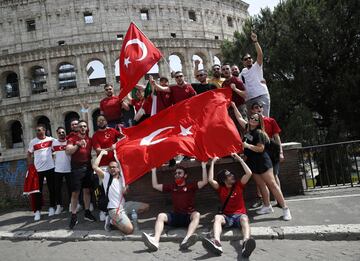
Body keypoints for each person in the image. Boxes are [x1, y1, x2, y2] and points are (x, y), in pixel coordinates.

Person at [231, 104, 292, 221]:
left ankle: (285, 208)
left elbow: (261, 149)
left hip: (263, 162)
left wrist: (247, 145)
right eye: (251, 118)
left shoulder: (259, 133)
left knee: (272, 184)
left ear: (259, 122)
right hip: (253, 162)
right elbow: (239, 118)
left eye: (255, 119)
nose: (252, 120)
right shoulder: (248, 129)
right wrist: (234, 106)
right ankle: (267, 206)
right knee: (261, 185)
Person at [142, 163, 208, 251]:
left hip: (188, 217)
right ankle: (155, 240)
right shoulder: (172, 186)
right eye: (176, 173)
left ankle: (187, 239)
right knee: (161, 215)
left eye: (179, 173)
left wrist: (203, 166)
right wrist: (153, 170)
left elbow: (204, 182)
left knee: (197, 214)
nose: (177, 175)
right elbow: (155, 186)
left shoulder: (190, 186)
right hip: (176, 217)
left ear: (185, 175)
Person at [203, 155, 256, 258]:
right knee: (217, 217)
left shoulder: (239, 185)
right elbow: (210, 180)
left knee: (245, 218)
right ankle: (216, 243)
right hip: (227, 217)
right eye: (229, 175)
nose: (232, 176)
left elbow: (249, 173)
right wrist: (212, 162)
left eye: (231, 174)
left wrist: (239, 159)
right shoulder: (221, 188)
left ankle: (245, 243)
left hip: (239, 216)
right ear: (223, 180)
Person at [250, 101, 284, 207]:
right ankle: (262, 200)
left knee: (274, 176)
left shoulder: (271, 121)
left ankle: (280, 201)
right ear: (252, 110)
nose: (259, 108)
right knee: (259, 179)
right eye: (256, 107)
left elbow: (277, 137)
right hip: (259, 155)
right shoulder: (252, 124)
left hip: (272, 153)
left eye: (261, 106)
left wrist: (281, 152)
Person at [92, 150, 133, 234]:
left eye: (114, 167)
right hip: (114, 208)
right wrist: (101, 154)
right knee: (129, 230)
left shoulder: (123, 179)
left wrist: (126, 189)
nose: (112, 169)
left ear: (118, 169)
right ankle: (111, 222)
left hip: (123, 206)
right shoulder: (106, 176)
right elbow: (95, 167)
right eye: (110, 167)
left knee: (145, 207)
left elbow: (125, 193)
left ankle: (121, 218)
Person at [66, 120, 96, 229]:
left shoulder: (89, 139)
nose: (82, 128)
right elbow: (68, 151)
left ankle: (87, 212)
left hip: (87, 166)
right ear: (77, 128)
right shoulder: (72, 138)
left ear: (86, 128)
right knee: (75, 193)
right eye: (80, 126)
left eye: (84, 126)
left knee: (87, 191)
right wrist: (77, 145)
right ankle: (74, 216)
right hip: (76, 168)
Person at [92, 115, 123, 221]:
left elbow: (123, 137)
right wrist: (111, 148)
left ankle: (117, 207)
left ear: (106, 121)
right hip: (103, 166)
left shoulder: (113, 131)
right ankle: (103, 211)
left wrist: (118, 143)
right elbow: (98, 150)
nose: (101, 122)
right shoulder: (95, 135)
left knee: (115, 188)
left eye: (103, 120)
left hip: (115, 165)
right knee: (103, 190)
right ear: (97, 123)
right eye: (98, 120)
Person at [27, 125, 56, 221]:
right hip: (38, 170)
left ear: (44, 130)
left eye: (39, 130)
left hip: (50, 168)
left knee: (52, 189)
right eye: (36, 131)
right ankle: (38, 211)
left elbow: (58, 148)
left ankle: (52, 207)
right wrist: (30, 167)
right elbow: (29, 154)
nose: (37, 132)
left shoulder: (51, 140)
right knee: (37, 191)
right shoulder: (33, 142)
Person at [240, 32, 271, 116]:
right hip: (249, 99)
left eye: (250, 58)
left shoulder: (257, 66)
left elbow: (260, 54)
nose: (248, 60)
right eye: (246, 59)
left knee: (264, 120)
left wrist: (255, 41)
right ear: (243, 62)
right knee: (254, 123)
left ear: (252, 60)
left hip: (261, 95)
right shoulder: (242, 72)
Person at [52, 127, 72, 215]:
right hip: (57, 169)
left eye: (63, 132)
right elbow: (51, 153)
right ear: (57, 134)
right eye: (59, 132)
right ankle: (59, 206)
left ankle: (72, 204)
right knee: (57, 189)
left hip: (69, 168)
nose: (61, 134)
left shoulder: (69, 141)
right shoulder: (53, 142)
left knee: (70, 188)